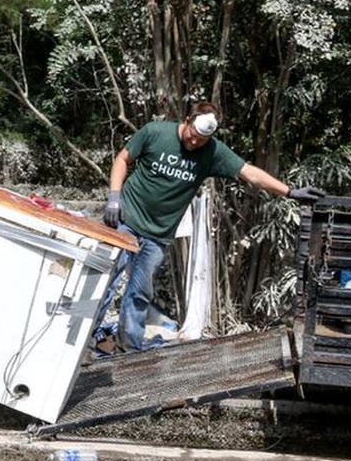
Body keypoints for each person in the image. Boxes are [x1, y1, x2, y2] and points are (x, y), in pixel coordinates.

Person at [97, 101, 325, 352]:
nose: (194, 143)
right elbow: (122, 159)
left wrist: (290, 192)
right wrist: (114, 198)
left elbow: (250, 174)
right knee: (103, 279)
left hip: (158, 235)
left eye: (201, 141)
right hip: (125, 219)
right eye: (192, 136)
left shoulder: (213, 152)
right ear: (187, 120)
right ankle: (84, 341)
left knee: (139, 293)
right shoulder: (155, 132)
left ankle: (128, 348)